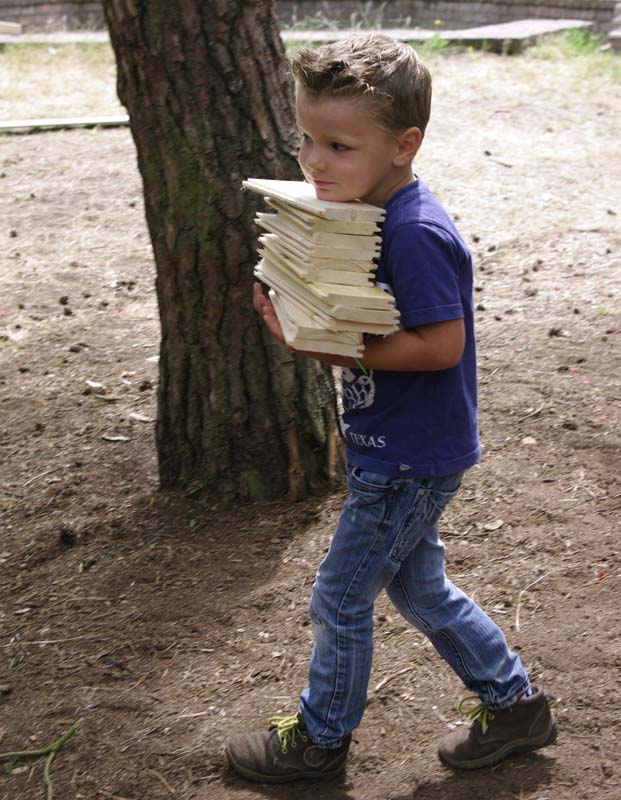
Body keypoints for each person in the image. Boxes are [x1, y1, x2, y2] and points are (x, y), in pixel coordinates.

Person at [225, 32, 557, 783]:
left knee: (339, 599)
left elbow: (441, 345)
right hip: (396, 448)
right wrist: (309, 326)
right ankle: (514, 707)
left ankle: (320, 741)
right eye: (307, 139)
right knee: (420, 588)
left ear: (404, 145)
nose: (313, 162)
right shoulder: (365, 214)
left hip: (409, 459)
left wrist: (340, 352)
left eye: (339, 146)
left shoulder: (414, 231)